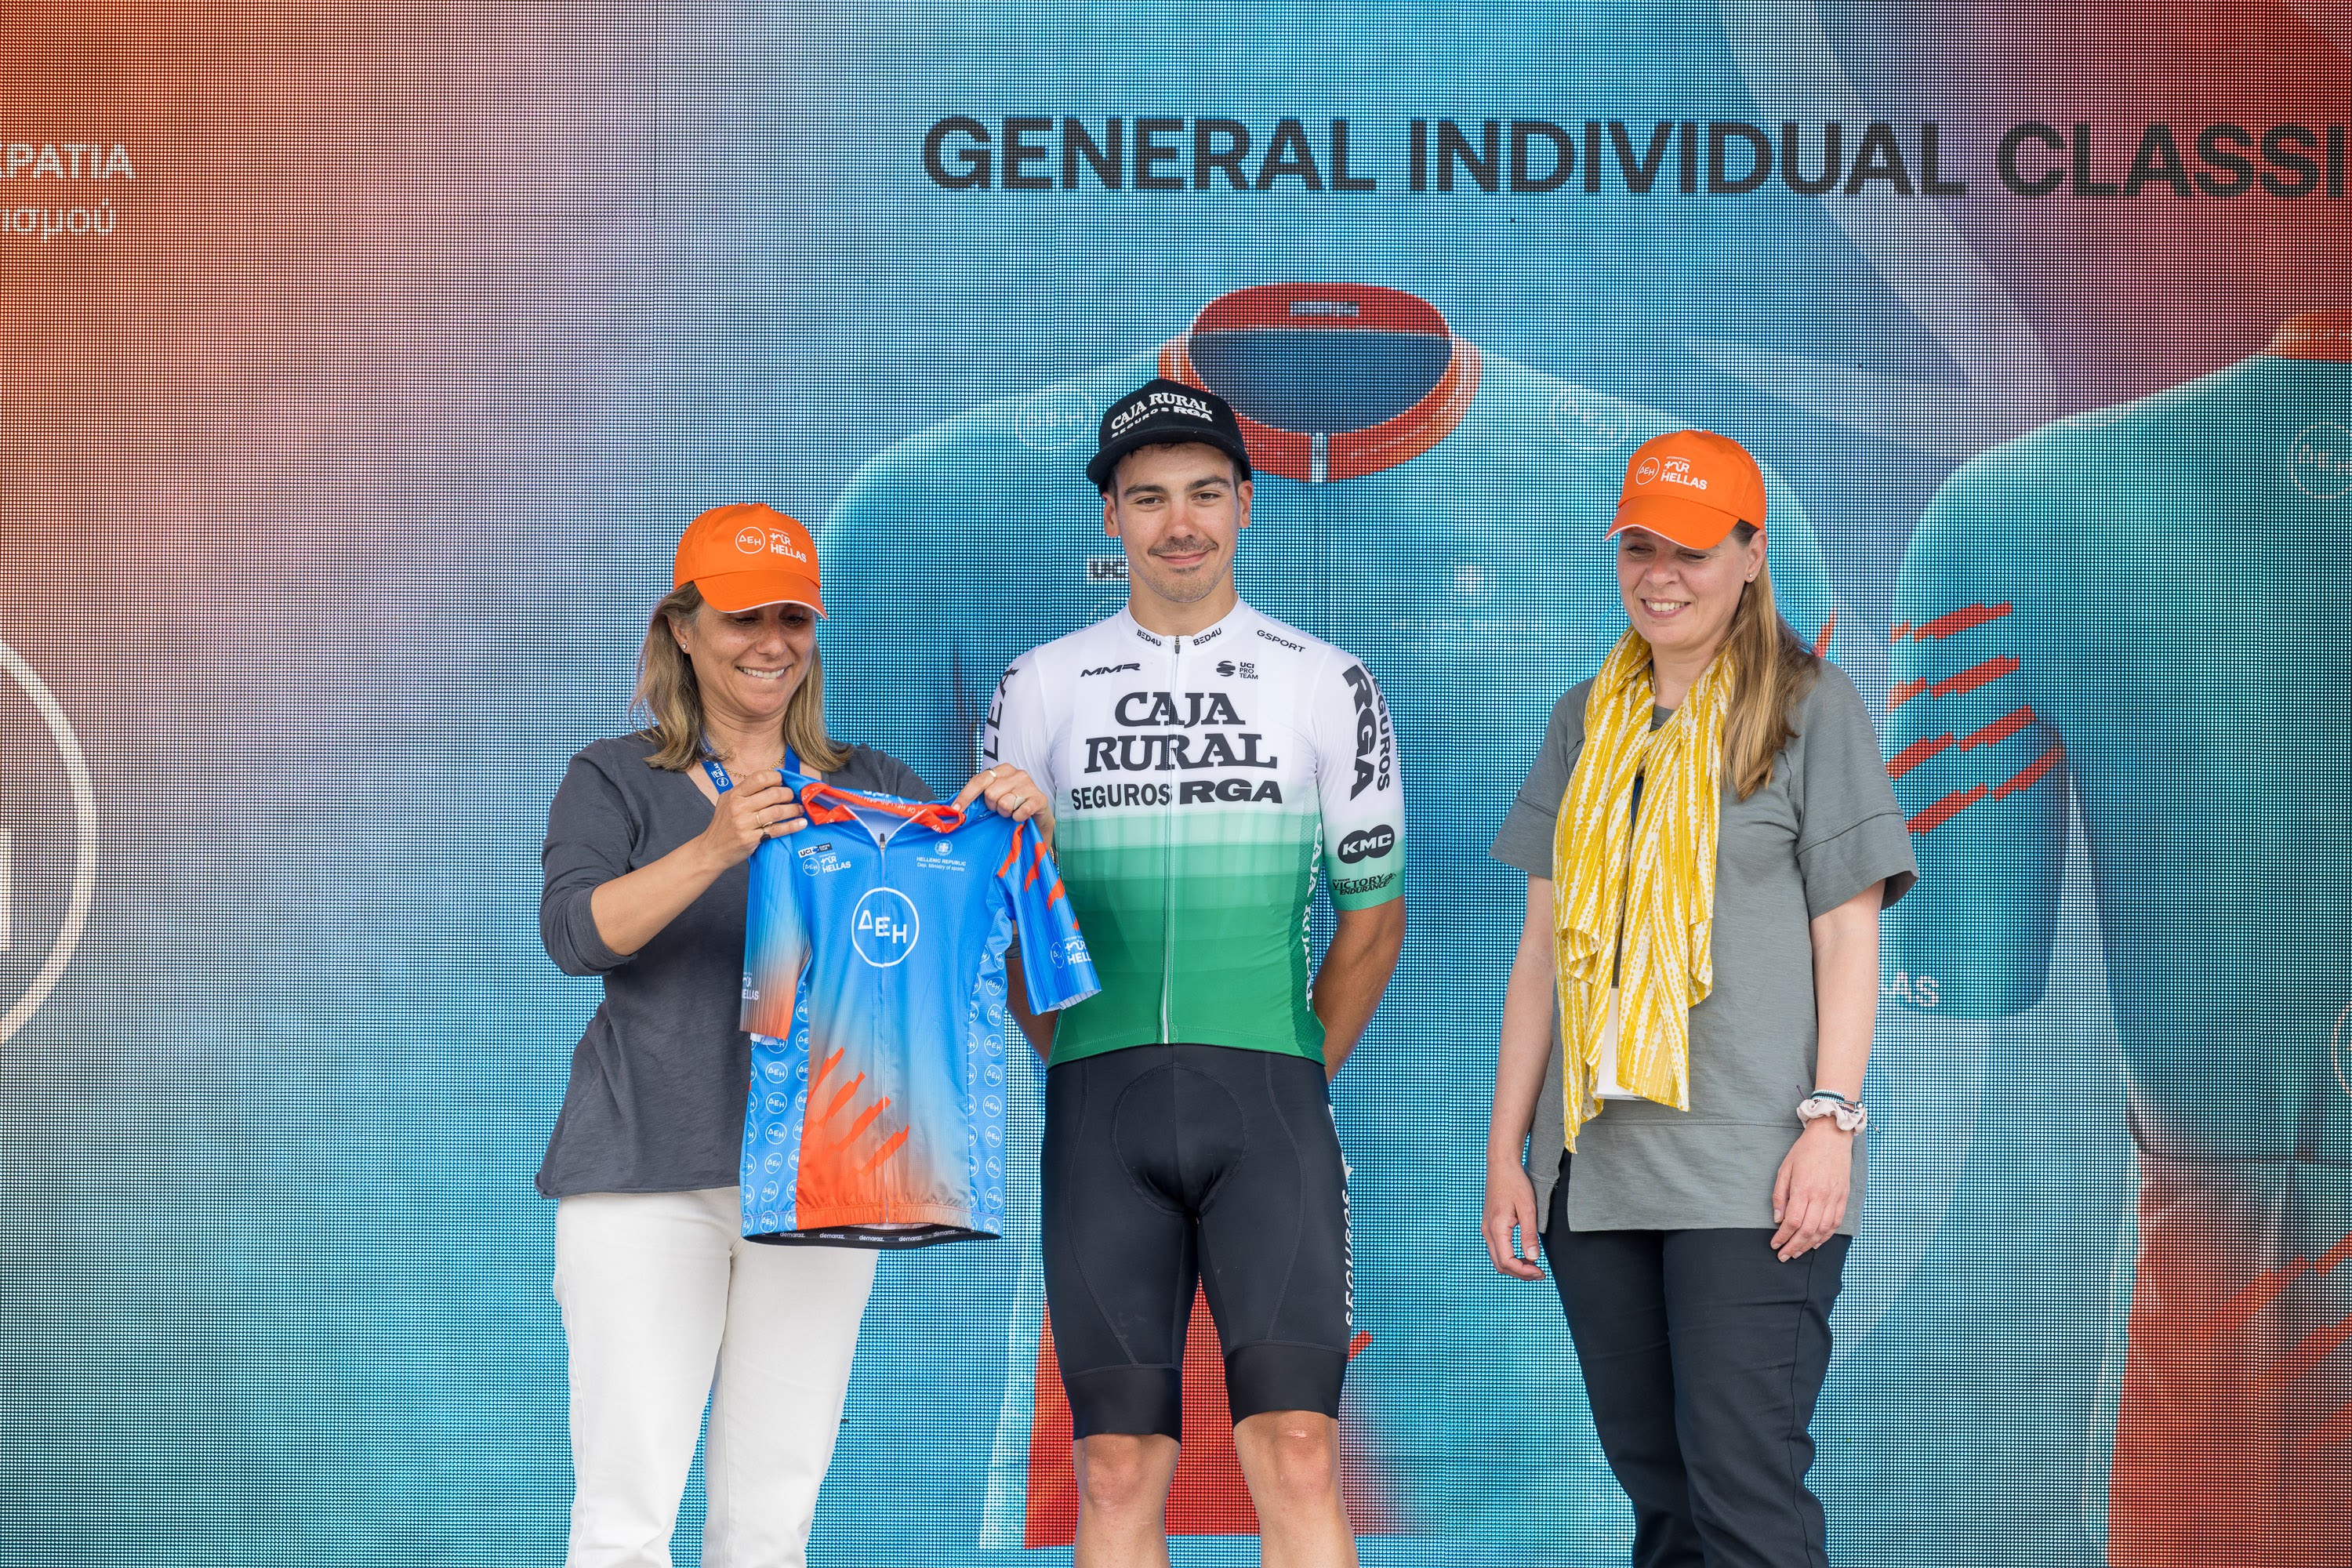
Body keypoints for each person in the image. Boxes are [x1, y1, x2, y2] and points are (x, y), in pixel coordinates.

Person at [535, 501, 1048, 1568]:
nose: (771, 642)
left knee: (772, 1525)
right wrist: (714, 847)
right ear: (682, 628)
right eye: (743, 617)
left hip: (823, 1185)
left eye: (793, 618)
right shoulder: (614, 776)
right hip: (647, 1178)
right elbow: (576, 936)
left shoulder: (880, 789)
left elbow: (969, 965)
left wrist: (1015, 840)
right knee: (624, 1523)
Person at [983, 379, 1408, 1568]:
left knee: (1300, 1453)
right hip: (1098, 1108)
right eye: (1150, 498)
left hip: (1269, 1103)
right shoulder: (1039, 686)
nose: (1181, 523)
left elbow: (1374, 922)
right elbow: (1007, 929)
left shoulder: (1325, 680)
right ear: (1111, 517)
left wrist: (1288, 1066)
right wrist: (1085, 1049)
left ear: (1246, 505)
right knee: (1115, 1470)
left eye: (1206, 494)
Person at [1481, 431, 1918, 1568]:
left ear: (1750, 555)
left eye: (1691, 550)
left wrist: (1832, 1123)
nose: (1661, 575)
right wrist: (1510, 1156)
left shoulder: (1812, 709)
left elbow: (1849, 934)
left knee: (1741, 1491)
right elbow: (1542, 951)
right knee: (1663, 1500)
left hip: (1754, 1173)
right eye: (1640, 547)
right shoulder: (1586, 719)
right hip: (1595, 1173)